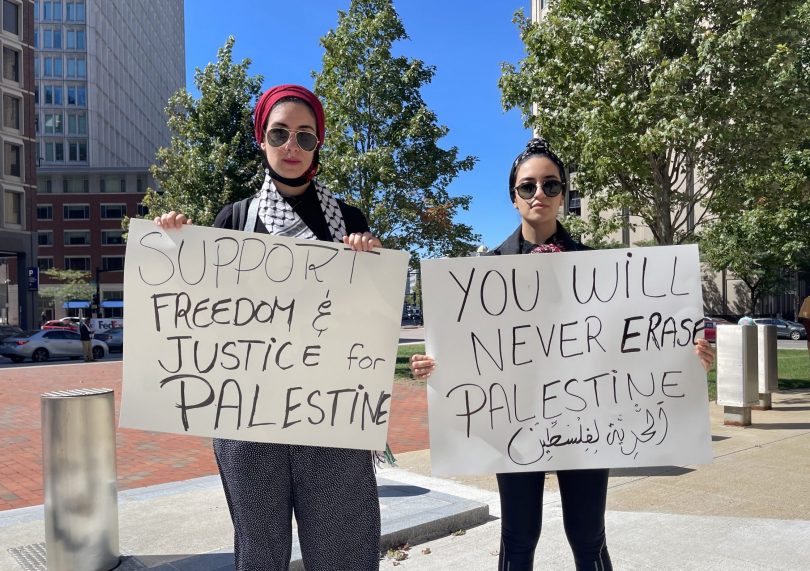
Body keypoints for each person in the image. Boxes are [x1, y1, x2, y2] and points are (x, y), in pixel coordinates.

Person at [409, 138, 716, 571]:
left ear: (565, 195)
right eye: (528, 186)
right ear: (513, 197)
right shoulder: (484, 271)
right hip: (513, 420)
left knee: (588, 536)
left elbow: (638, 342)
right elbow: (469, 353)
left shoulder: (604, 270)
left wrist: (688, 358)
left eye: (551, 186)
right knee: (519, 535)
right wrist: (433, 366)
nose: (539, 195)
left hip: (585, 420)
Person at [155, 84, 383, 571]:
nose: (292, 147)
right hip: (250, 421)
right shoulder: (233, 220)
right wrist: (173, 250)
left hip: (330, 420)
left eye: (305, 136)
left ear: (319, 141)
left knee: (344, 553)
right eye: (279, 133)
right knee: (260, 555)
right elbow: (201, 312)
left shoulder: (348, 220)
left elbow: (367, 320)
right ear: (261, 138)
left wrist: (370, 264)